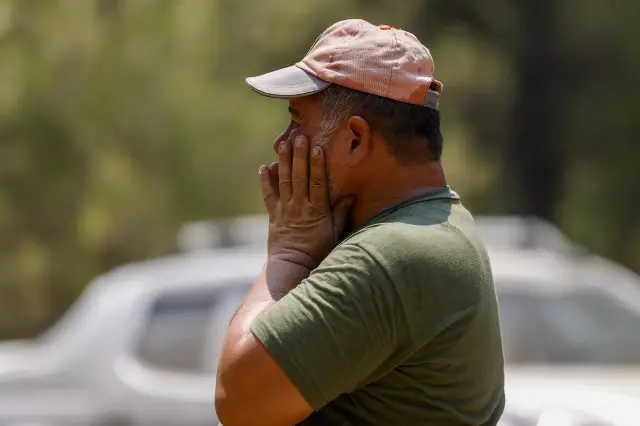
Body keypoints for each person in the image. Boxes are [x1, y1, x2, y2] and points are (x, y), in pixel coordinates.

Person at [215, 19, 505, 426]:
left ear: (355, 138)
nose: (282, 142)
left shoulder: (392, 256)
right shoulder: (441, 224)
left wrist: (290, 251)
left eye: (297, 120)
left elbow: (238, 399)